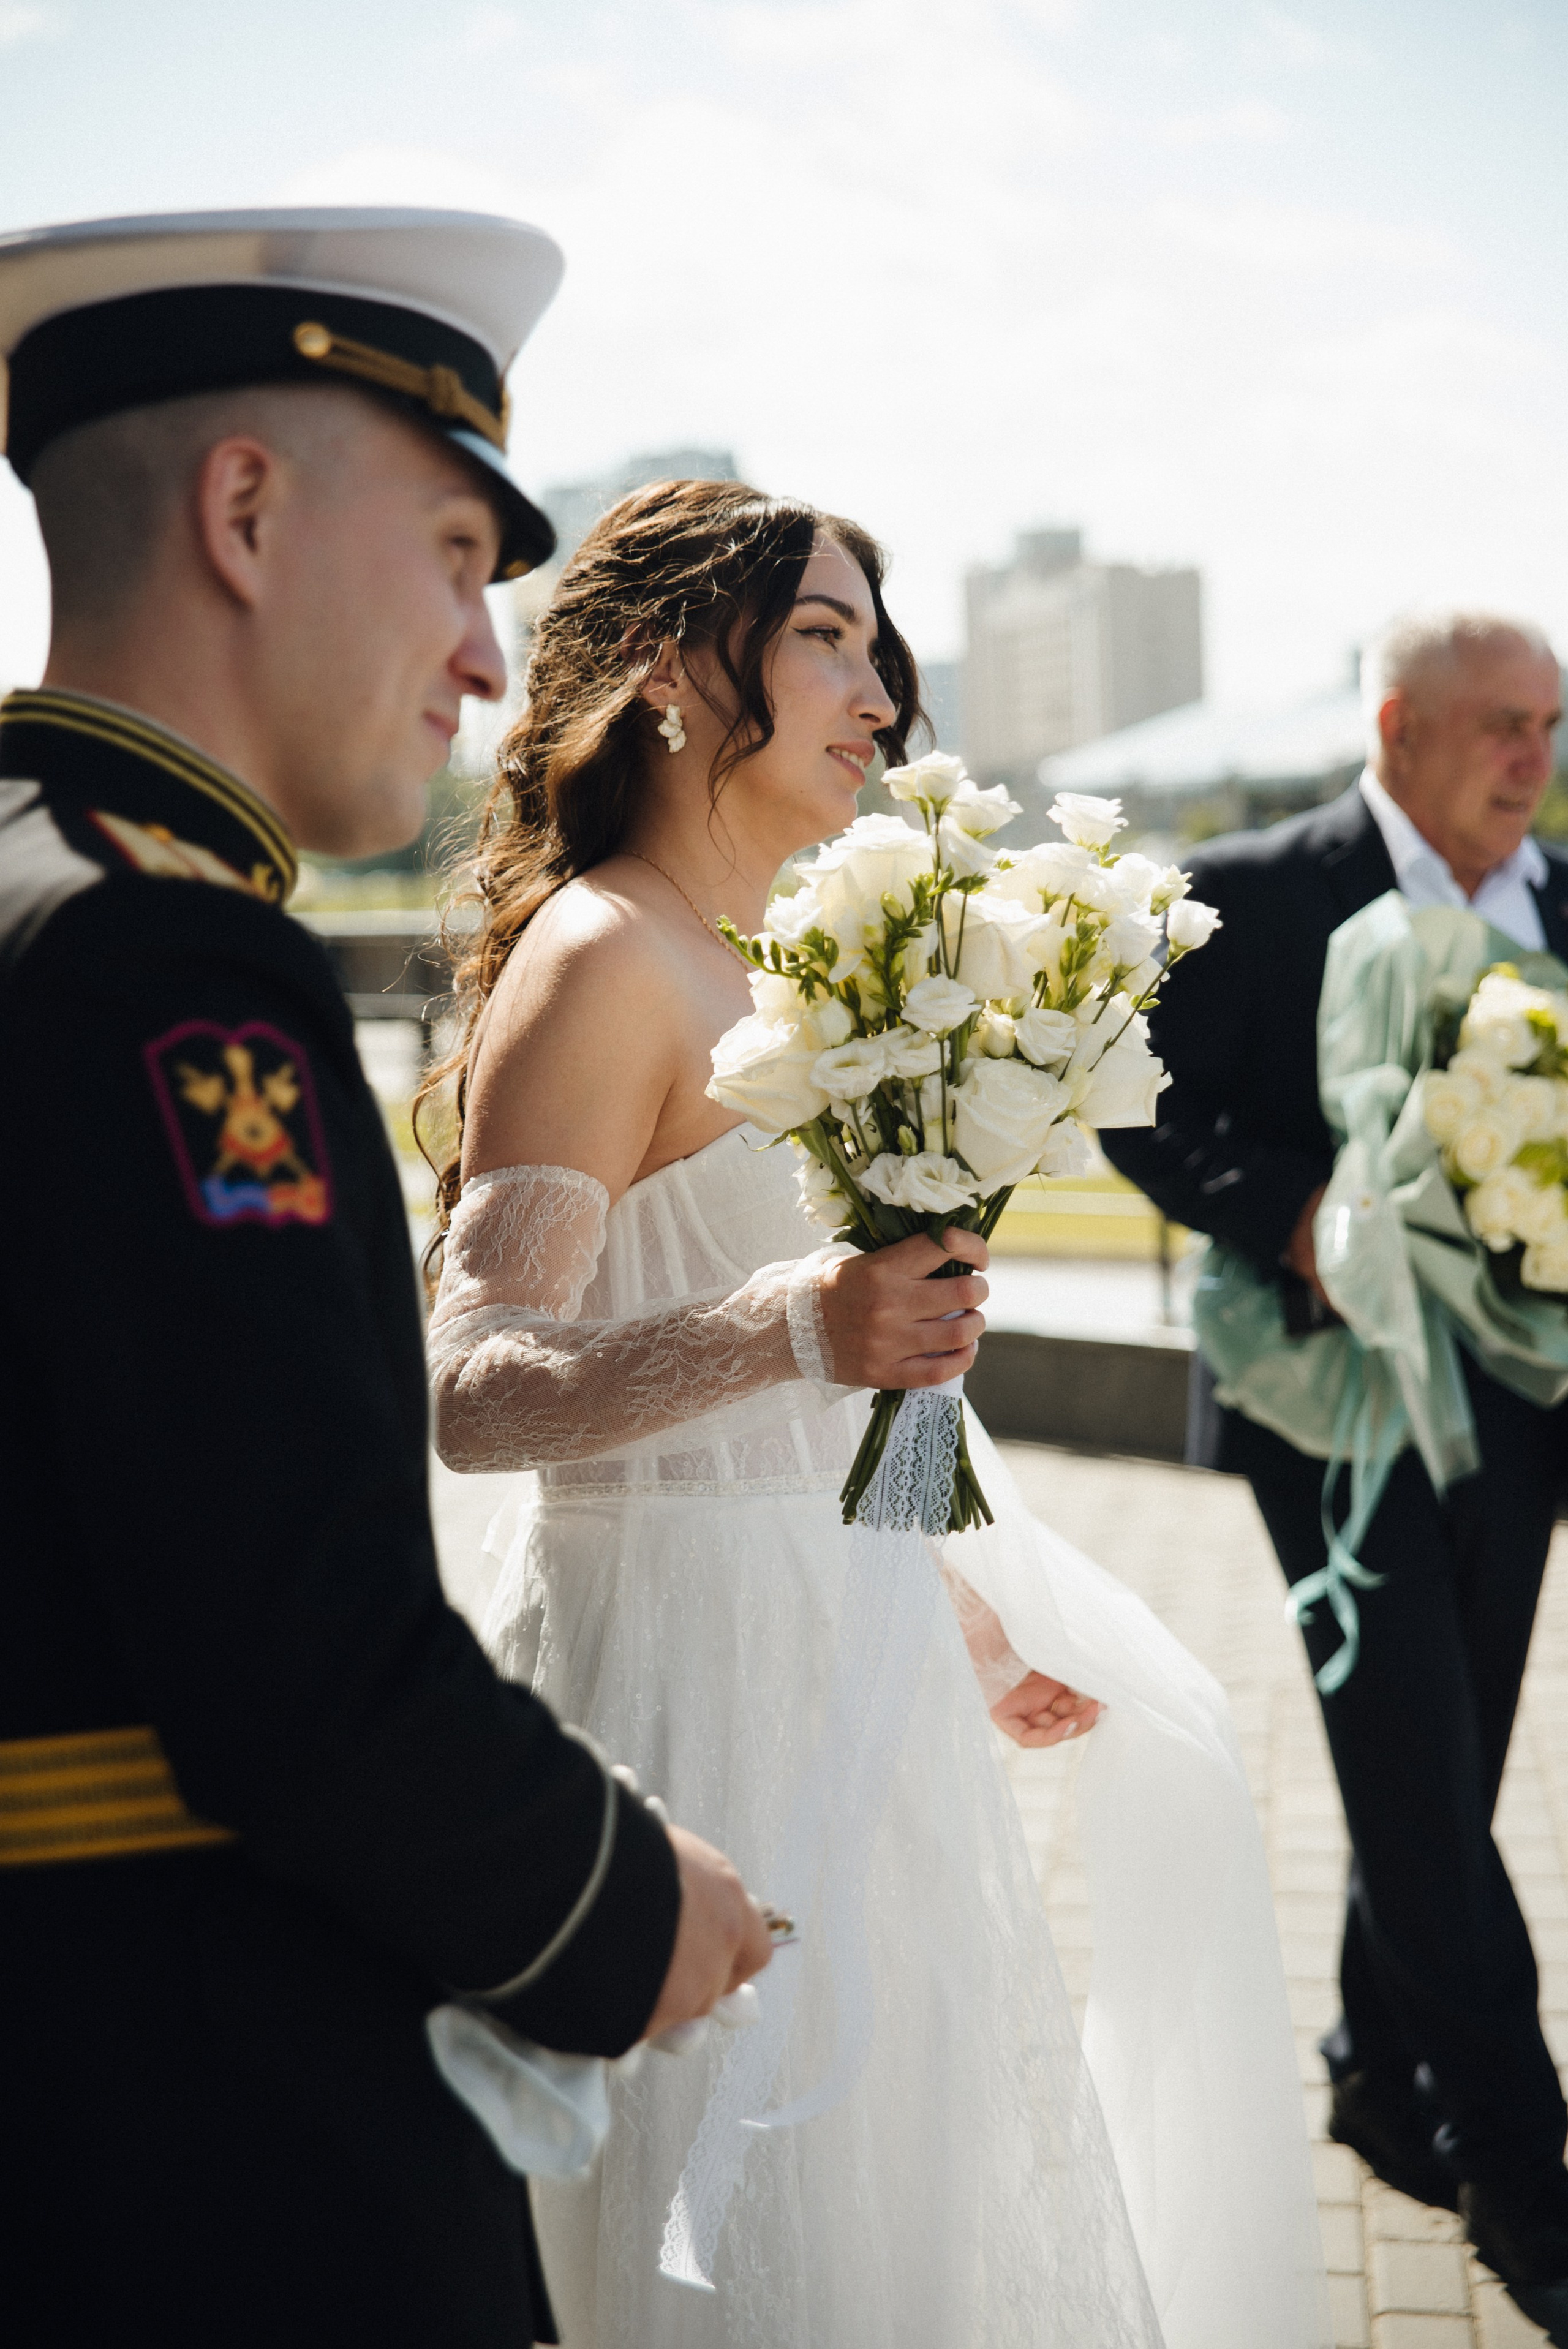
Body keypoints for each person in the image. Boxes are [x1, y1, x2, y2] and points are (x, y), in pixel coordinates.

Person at [425, 476, 1329, 2349]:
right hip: (670, 1688)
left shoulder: (804, 973)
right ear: (677, 668)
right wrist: (783, 1322)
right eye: (826, 637)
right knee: (721, 2236)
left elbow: (865, 1373)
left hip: (863, 1669)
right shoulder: (603, 957)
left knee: (883, 2224)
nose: (879, 692)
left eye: (875, 644)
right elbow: (471, 1385)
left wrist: (969, 1608)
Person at [0, 208, 772, 2349]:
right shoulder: (166, 964)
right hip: (172, 2125)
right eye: (452, 553)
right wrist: (624, 1909)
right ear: (244, 510)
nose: (481, 653)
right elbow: (295, 1652)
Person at [1103, 612, 1568, 2333]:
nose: (1533, 759)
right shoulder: (1254, 885)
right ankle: (1530, 2174)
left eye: (1550, 726)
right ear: (1397, 724)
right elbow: (1141, 1104)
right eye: (1503, 726)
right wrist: (1297, 1211)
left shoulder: (1560, 897)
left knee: (1450, 1755)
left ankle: (1379, 2073)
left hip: (1519, 1411)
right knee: (1423, 1780)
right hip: (1326, 1407)